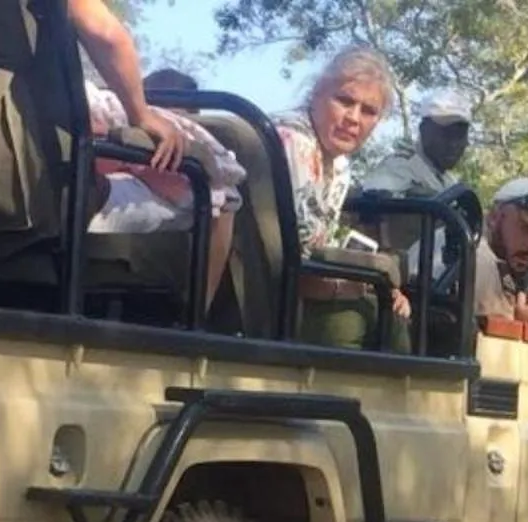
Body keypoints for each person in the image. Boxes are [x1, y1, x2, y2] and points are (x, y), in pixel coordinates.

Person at [69, 1, 245, 313]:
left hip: (32, 169)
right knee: (222, 198)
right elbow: (106, 34)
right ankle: (196, 318)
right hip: (75, 188)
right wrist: (141, 117)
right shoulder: (118, 116)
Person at [274, 47, 410, 347]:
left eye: (369, 111)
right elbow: (299, 265)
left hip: (298, 291)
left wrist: (379, 285)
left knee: (393, 312)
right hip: (270, 295)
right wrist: (358, 287)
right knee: (358, 321)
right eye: (345, 101)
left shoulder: (338, 164)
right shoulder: (294, 143)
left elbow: (319, 245)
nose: (353, 118)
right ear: (317, 94)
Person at [356, 88, 471, 262]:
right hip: (409, 277)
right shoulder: (399, 167)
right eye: (446, 134)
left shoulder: (451, 184)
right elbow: (368, 212)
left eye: (460, 135)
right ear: (424, 130)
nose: (454, 144)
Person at [474, 177, 528, 326]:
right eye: (526, 229)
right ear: (495, 217)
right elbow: (494, 346)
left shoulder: (494, 256)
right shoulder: (480, 262)